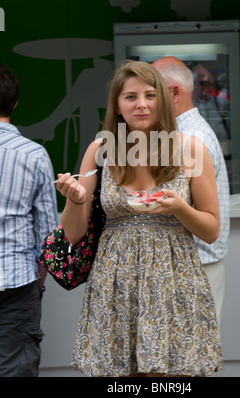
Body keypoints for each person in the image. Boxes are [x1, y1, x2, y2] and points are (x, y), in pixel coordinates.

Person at [55, 59, 223, 377]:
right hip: (114, 285)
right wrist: (75, 201)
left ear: (162, 98)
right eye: (130, 97)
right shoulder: (100, 149)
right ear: (117, 106)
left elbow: (212, 230)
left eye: (149, 95)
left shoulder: (191, 149)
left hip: (172, 283)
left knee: (170, 378)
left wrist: (179, 208)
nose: (141, 104)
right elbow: (73, 234)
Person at [152, 57, 230, 323]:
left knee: (196, 359)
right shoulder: (180, 134)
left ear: (174, 92)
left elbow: (206, 220)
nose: (145, 102)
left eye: (152, 92)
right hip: (189, 264)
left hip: (197, 265)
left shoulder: (193, 140)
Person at [0, 65, 58, 377]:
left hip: (21, 282)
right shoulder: (35, 155)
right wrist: (38, 284)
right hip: (19, 282)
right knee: (15, 369)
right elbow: (48, 234)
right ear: (15, 103)